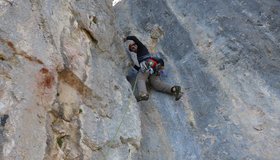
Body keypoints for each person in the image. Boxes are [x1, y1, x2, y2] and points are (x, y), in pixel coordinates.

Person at [124, 35, 183, 102]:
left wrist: (126, 38)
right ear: (132, 51)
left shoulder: (141, 48)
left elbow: (134, 38)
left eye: (134, 45)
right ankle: (174, 89)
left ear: (137, 45)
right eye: (132, 48)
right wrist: (134, 66)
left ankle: (143, 94)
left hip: (149, 64)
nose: (133, 47)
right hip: (153, 69)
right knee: (156, 84)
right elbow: (142, 71)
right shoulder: (139, 54)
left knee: (140, 78)